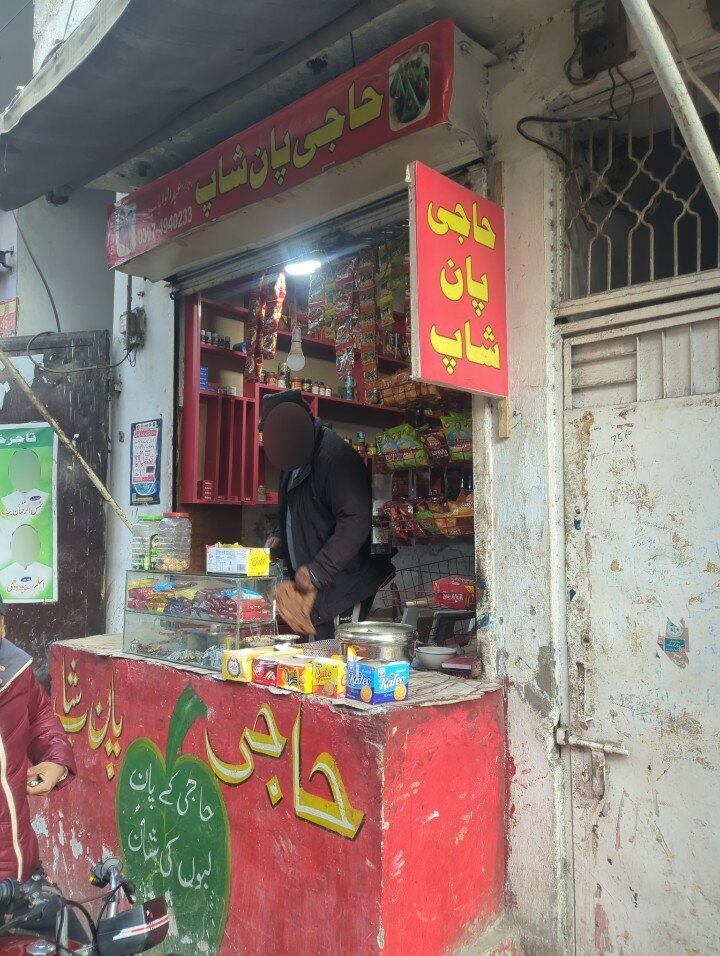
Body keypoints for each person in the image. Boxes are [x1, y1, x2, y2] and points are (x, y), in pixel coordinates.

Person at [261, 391, 392, 640]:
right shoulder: (293, 458)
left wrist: (317, 571)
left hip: (343, 587)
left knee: (338, 664)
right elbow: (297, 510)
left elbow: (356, 520)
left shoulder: (334, 458)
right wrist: (280, 537)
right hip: (318, 591)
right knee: (320, 666)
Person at [0, 599, 76, 881]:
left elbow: (39, 716)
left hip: (21, 867)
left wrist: (57, 761)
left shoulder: (15, 672)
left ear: (3, 626)